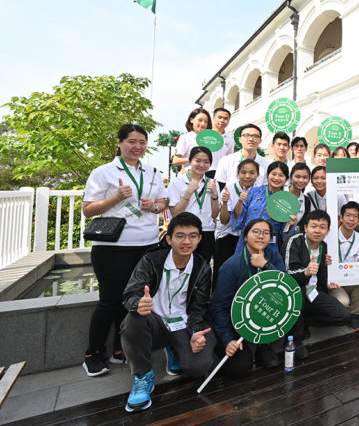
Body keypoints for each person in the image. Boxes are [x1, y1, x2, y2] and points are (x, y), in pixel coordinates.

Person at [81, 124, 168, 377]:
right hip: (113, 247)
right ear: (119, 143)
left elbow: (164, 201)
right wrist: (116, 197)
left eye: (142, 141)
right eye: (132, 141)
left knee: (137, 300)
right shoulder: (103, 172)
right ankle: (93, 354)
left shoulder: (152, 172)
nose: (137, 146)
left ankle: (122, 348)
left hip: (148, 245)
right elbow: (88, 209)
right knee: (109, 301)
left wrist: (155, 205)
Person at [120, 213, 215, 412]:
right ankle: (143, 376)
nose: (186, 241)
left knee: (198, 367)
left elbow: (198, 308)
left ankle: (174, 348)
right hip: (155, 322)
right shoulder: (151, 261)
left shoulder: (202, 268)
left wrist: (195, 331)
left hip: (182, 323)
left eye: (192, 236)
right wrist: (138, 303)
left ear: (199, 239)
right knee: (133, 320)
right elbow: (130, 293)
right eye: (180, 236)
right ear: (169, 238)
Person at [208, 218, 287, 377]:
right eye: (256, 232)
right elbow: (218, 307)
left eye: (266, 233)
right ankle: (217, 348)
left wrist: (265, 265)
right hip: (235, 324)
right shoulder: (231, 266)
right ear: (245, 237)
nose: (261, 236)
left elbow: (285, 286)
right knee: (239, 367)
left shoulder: (274, 256)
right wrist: (227, 339)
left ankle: (263, 344)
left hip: (263, 314)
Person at [286, 210, 349, 358]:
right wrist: (305, 272)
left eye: (322, 227)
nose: (317, 230)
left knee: (343, 316)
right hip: (296, 290)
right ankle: (296, 340)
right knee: (298, 293)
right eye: (314, 226)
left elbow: (323, 278)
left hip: (315, 292)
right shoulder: (294, 242)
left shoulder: (325, 248)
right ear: (305, 227)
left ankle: (306, 319)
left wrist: (329, 277)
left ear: (327, 231)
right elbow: (287, 274)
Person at [167, 146, 220, 264]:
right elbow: (175, 213)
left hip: (206, 231)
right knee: (181, 265)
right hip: (183, 231)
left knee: (202, 268)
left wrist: (215, 194)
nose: (202, 165)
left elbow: (215, 214)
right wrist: (189, 192)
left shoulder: (212, 183)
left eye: (206, 162)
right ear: (190, 161)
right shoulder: (177, 182)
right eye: (198, 160)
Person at [213, 158, 259, 287]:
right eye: (243, 172)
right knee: (223, 276)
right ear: (238, 173)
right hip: (228, 237)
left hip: (248, 239)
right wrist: (226, 203)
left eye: (252, 173)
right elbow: (224, 220)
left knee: (244, 278)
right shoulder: (229, 190)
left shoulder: (259, 191)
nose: (247, 176)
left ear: (258, 175)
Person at [233, 161, 293, 255]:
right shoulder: (253, 191)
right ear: (267, 175)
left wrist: (290, 224)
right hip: (248, 241)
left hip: (269, 243)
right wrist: (240, 201)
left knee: (267, 268)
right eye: (274, 174)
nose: (276, 178)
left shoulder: (287, 200)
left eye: (281, 175)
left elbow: (284, 232)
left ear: (286, 179)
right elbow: (238, 215)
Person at [330, 202, 359, 331]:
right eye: (348, 215)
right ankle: (345, 306)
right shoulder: (329, 237)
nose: (351, 219)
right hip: (334, 282)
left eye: (355, 216)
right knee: (343, 301)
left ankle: (355, 315)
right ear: (341, 218)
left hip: (352, 279)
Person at [215, 124, 269, 188]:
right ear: (240, 139)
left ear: (260, 141)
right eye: (246, 135)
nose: (251, 139)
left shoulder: (266, 165)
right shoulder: (226, 161)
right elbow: (218, 186)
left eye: (255, 136)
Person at [209, 107, 235, 177]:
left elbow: (229, 159)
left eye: (225, 118)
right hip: (201, 172)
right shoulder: (205, 135)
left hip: (220, 175)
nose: (222, 120)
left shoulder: (230, 140)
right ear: (213, 118)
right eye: (219, 117)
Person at [287, 163, 313, 232]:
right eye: (297, 177)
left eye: (305, 177)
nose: (301, 180)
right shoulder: (280, 195)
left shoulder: (307, 201)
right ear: (290, 177)